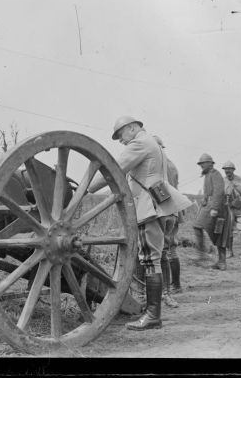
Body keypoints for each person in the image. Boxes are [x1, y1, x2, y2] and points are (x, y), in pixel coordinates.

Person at [87, 116, 192, 330]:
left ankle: (153, 316)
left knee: (150, 259)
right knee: (154, 257)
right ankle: (152, 312)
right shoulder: (151, 143)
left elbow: (114, 169)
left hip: (148, 207)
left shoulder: (140, 143)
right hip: (158, 203)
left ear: (133, 128)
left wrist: (86, 187)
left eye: (121, 136)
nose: (121, 141)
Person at [154, 135, 182, 305]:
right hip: (171, 210)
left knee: (164, 251)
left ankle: (166, 291)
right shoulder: (170, 165)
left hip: (164, 210)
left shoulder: (162, 166)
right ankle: (171, 288)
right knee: (168, 250)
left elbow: (164, 191)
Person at [193, 154, 232, 270]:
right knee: (199, 227)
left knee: (220, 234)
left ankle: (219, 261)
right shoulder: (208, 175)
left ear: (210, 163)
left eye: (203, 163)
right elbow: (209, 192)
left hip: (218, 209)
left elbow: (219, 192)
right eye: (200, 164)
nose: (201, 166)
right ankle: (205, 256)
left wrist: (214, 208)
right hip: (210, 206)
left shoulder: (216, 174)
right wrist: (204, 200)